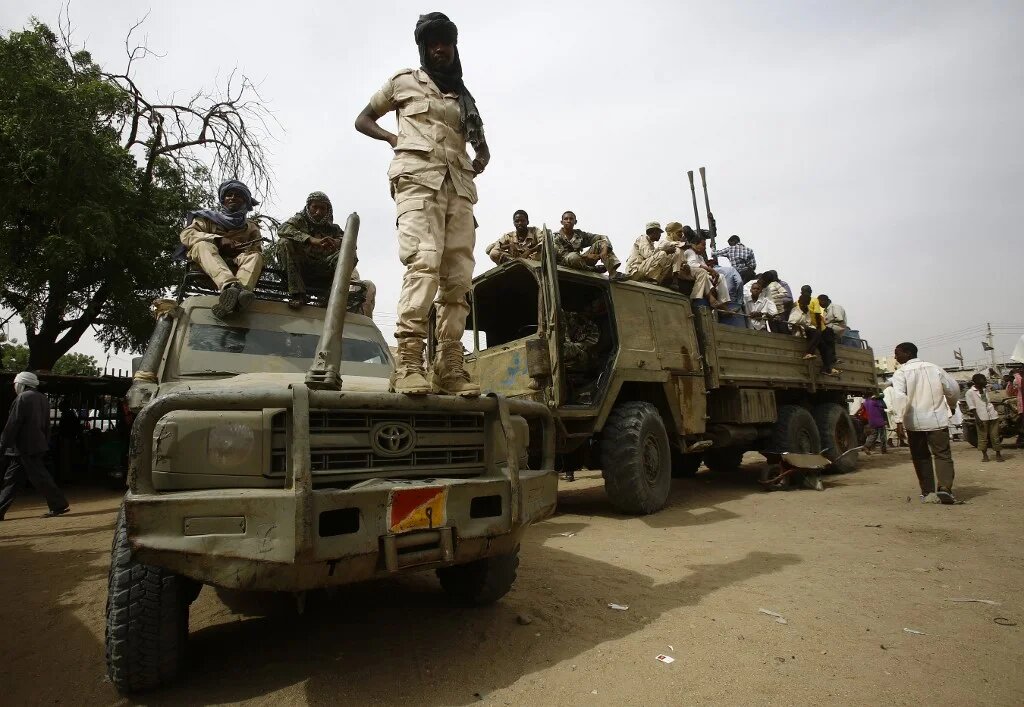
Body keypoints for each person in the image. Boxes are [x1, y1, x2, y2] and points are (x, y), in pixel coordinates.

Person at [354, 12, 489, 396]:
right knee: (424, 263)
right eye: (433, 43)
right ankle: (409, 363)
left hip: (459, 189)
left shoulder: (464, 97)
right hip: (416, 182)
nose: (440, 49)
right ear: (424, 48)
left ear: (453, 47)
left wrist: (480, 158)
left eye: (445, 42)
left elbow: (482, 145)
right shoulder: (404, 82)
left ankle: (449, 366)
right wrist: (391, 138)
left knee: (459, 279)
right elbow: (363, 119)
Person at [278, 191, 376, 316]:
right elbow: (283, 229)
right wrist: (311, 240)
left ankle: (330, 298)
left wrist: (337, 242)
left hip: (323, 270)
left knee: (349, 252)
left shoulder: (333, 229)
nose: (318, 212)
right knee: (284, 242)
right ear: (308, 207)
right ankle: (298, 294)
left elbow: (351, 243)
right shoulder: (299, 221)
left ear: (327, 210)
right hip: (300, 269)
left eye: (322, 208)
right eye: (315, 207)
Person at [180, 179, 264, 320]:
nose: (232, 197)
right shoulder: (207, 218)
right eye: (229, 194)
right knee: (202, 245)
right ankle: (231, 287)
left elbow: (256, 249)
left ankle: (236, 296)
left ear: (245, 201)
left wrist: (239, 248)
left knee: (255, 256)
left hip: (237, 266)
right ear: (223, 200)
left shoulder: (251, 227)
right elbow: (187, 235)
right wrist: (218, 240)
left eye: (238, 195)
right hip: (206, 266)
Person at [890, 342, 960, 504]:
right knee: (942, 455)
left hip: (914, 422)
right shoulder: (934, 368)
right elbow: (953, 389)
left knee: (921, 457)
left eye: (897, 353)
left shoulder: (901, 373)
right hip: (937, 419)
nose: (895, 357)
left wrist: (898, 421)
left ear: (907, 353)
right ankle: (945, 489)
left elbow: (900, 397)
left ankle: (928, 492)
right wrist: (951, 405)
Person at [0, 372, 70, 520]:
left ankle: (59, 504)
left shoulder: (22, 398)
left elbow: (12, 425)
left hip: (23, 447)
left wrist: (2, 445)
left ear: (22, 384)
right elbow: (47, 425)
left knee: (37, 478)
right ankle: (58, 504)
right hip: (35, 445)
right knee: (13, 480)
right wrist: (44, 442)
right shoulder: (42, 398)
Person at [552, 211, 626, 280]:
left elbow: (601, 237)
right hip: (565, 263)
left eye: (571, 219)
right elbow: (562, 255)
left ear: (575, 222)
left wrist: (604, 250)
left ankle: (612, 272)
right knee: (573, 257)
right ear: (562, 222)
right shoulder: (556, 237)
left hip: (581, 261)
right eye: (566, 219)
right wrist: (585, 257)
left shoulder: (579, 234)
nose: (568, 221)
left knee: (601, 243)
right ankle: (593, 269)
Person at [625, 222, 686, 286]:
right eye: (659, 233)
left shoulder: (651, 244)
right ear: (654, 231)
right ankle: (651, 279)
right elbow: (648, 255)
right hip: (634, 271)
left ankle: (657, 281)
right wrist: (665, 251)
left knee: (668, 260)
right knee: (663, 254)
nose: (660, 235)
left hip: (641, 270)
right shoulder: (643, 238)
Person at [965, 373, 1004, 462]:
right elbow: (972, 407)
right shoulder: (970, 393)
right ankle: (985, 455)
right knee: (983, 437)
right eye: (984, 380)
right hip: (982, 418)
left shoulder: (985, 390)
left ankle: (998, 454)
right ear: (977, 382)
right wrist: (977, 419)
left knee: (995, 436)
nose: (985, 381)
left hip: (993, 416)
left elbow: (988, 402)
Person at [882, 383, 908, 447]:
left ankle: (902, 441)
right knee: (894, 427)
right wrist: (891, 409)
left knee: (900, 426)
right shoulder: (888, 390)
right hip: (893, 412)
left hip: (898, 411)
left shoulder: (896, 390)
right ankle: (890, 441)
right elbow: (887, 400)